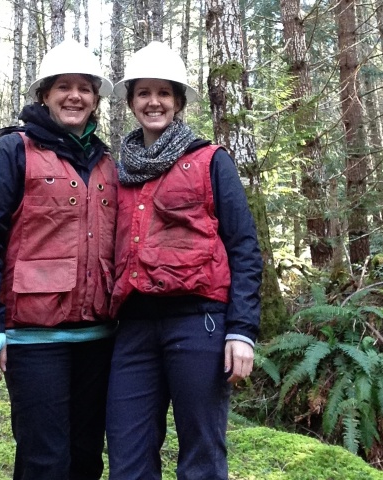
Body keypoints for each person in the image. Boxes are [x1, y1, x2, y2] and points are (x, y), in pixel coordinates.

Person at [105, 41, 263, 480]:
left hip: (200, 322)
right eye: (143, 93)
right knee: (127, 454)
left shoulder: (211, 161)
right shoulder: (119, 171)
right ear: (132, 101)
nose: (153, 102)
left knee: (202, 455)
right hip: (133, 326)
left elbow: (244, 247)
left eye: (163, 93)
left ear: (177, 101)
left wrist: (242, 331)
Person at [0, 39, 117, 480]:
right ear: (44, 94)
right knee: (44, 459)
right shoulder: (13, 152)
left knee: (87, 455)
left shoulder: (106, 162)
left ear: (95, 99)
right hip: (34, 340)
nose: (75, 96)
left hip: (99, 337)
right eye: (63, 86)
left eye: (85, 88)